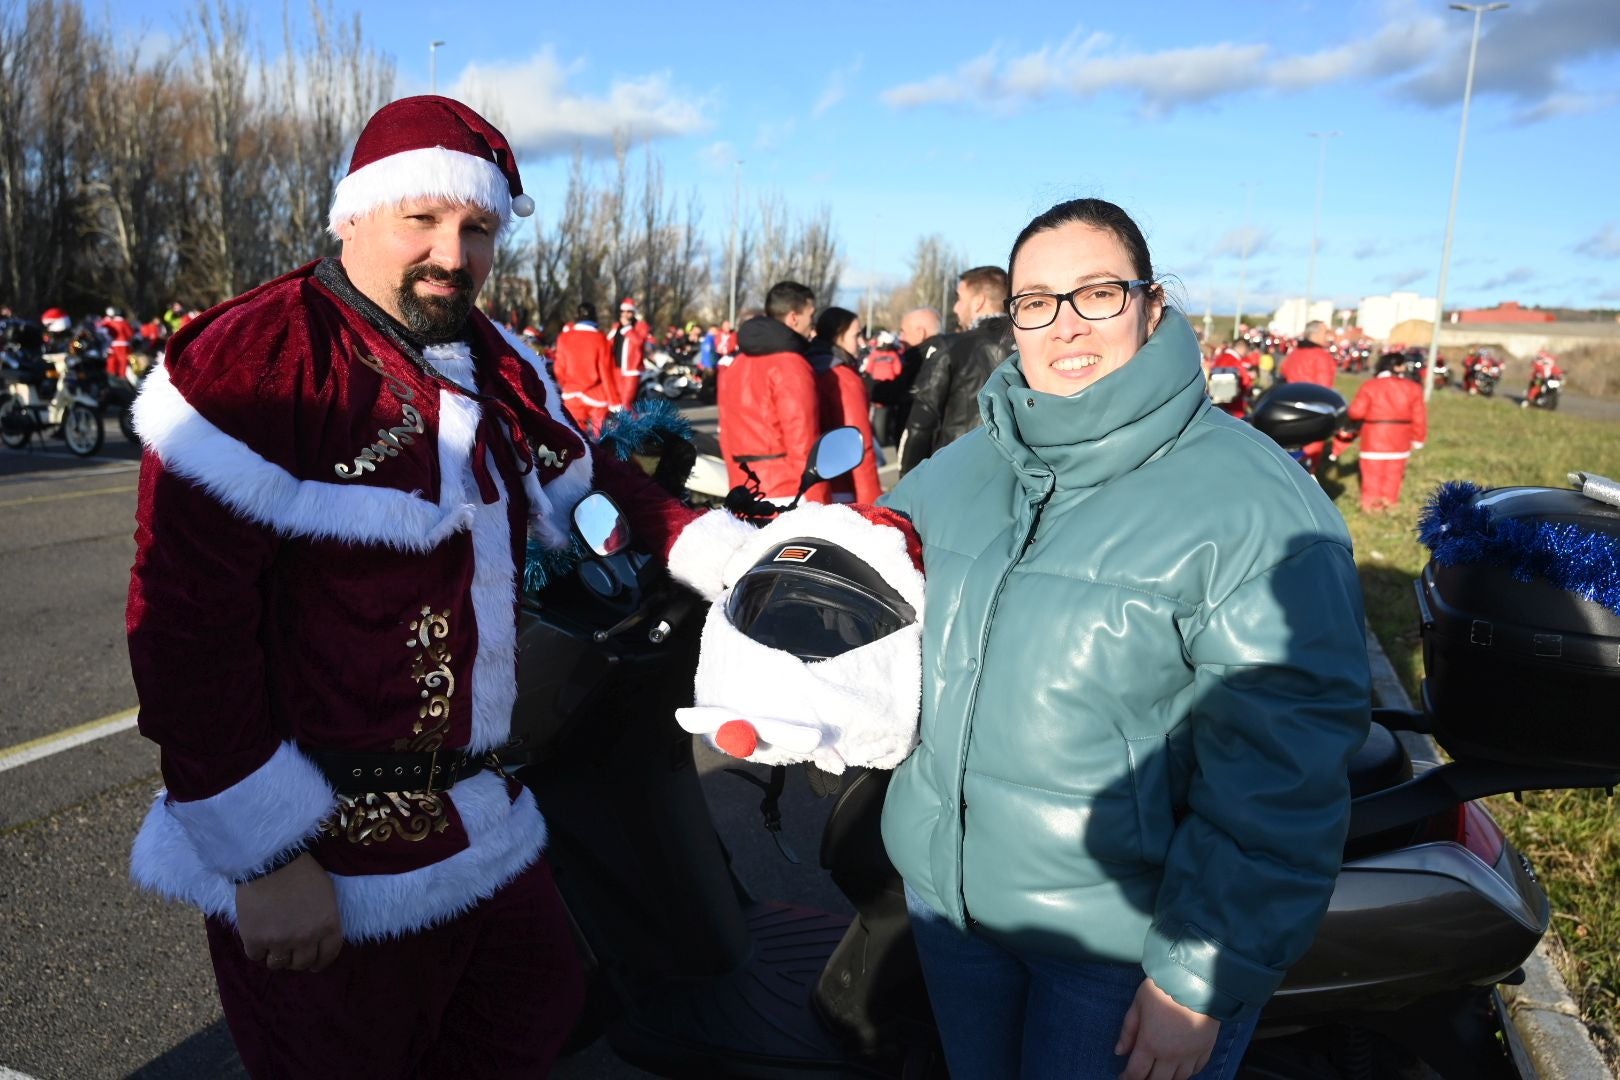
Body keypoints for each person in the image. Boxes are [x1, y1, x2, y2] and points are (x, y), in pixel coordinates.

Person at [123, 95, 744, 1079]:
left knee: (538, 1012)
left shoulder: (494, 361)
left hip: (485, 823)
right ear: (354, 213)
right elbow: (185, 635)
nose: (453, 252)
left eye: (478, 227)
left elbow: (587, 477)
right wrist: (264, 858)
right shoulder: (260, 358)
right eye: (423, 218)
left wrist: (732, 554)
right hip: (322, 848)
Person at [695, 198, 1371, 1079]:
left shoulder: (1254, 504)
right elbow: (865, 591)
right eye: (1036, 301)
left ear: (1153, 304)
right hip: (953, 917)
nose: (1065, 325)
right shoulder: (963, 469)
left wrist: (1200, 977)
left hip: (1118, 950)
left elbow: (1282, 775)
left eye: (1097, 293)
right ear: (1009, 318)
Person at [899, 266, 1012, 475]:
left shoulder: (950, 347)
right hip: (1021, 474)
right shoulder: (1031, 343)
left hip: (958, 471)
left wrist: (906, 483)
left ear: (978, 302)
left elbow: (920, 425)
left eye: (959, 298)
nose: (955, 308)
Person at [717, 281, 823, 502]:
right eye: (810, 316)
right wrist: (818, 503)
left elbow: (725, 435)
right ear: (793, 317)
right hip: (787, 491)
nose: (812, 325)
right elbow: (803, 444)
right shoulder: (792, 364)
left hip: (743, 487)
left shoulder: (736, 364)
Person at [1329, 352, 1428, 512]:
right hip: (1400, 439)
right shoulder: (1413, 388)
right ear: (1396, 366)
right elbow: (1419, 416)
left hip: (1373, 438)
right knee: (1394, 474)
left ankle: (1369, 505)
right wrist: (1418, 438)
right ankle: (1389, 503)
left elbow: (1356, 412)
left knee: (1371, 474)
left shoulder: (1370, 386)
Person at [807, 306, 882, 503]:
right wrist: (871, 503)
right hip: (844, 488)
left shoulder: (808, 366)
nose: (861, 343)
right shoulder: (843, 378)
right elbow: (859, 444)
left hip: (812, 485)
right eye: (856, 335)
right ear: (837, 336)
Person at [1278, 320, 1337, 472]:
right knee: (1309, 458)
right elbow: (1325, 389)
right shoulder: (1322, 357)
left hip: (1288, 412)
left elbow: (1282, 376)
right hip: (1312, 414)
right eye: (1325, 333)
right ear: (1315, 334)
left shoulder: (1293, 354)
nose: (1328, 337)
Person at [553, 300, 616, 435]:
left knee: (576, 436)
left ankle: (581, 454)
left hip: (572, 395)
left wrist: (567, 385)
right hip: (596, 396)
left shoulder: (564, 338)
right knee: (601, 435)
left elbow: (559, 369)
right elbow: (607, 374)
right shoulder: (601, 339)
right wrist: (614, 401)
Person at [606, 297, 652, 411]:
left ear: (633, 312)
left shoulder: (641, 326)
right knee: (617, 402)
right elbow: (607, 343)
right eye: (623, 311)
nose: (625, 314)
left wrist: (627, 327)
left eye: (629, 311)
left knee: (626, 402)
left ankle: (628, 426)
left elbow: (638, 342)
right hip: (615, 369)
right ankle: (626, 425)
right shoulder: (616, 326)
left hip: (632, 370)